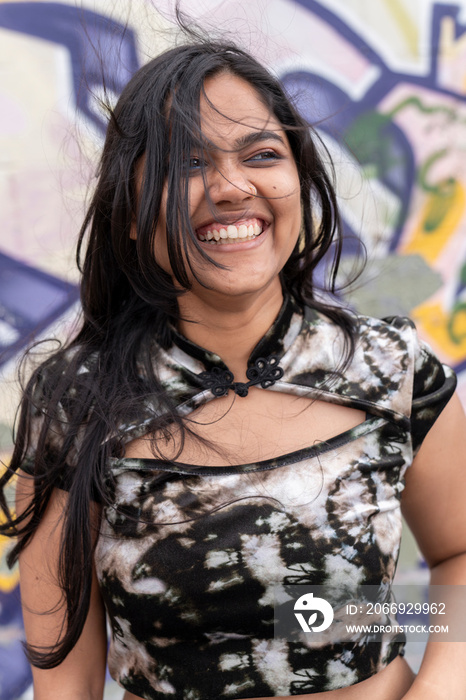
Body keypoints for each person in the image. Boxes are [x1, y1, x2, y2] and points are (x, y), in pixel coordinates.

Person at [1, 38, 466, 700]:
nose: (231, 187)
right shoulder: (73, 406)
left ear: (299, 180)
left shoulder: (391, 367)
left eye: (262, 155)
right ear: (129, 212)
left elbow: (458, 559)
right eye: (186, 163)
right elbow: (65, 678)